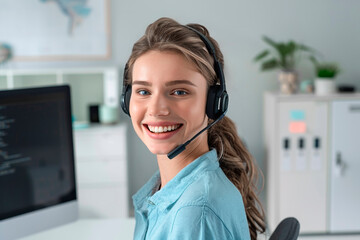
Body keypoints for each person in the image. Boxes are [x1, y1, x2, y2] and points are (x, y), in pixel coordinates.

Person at [122, 17, 265, 240]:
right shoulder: (171, 189)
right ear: (127, 100)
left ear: (213, 103)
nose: (156, 109)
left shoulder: (195, 213)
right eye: (143, 91)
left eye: (179, 92)